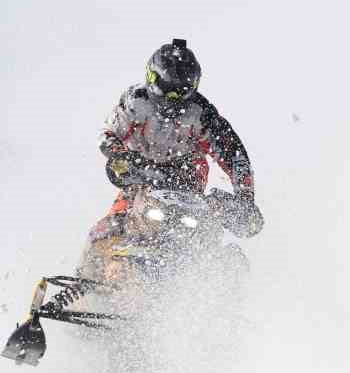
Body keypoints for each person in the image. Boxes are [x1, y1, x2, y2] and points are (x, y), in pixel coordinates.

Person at [92, 39, 262, 256]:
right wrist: (120, 157)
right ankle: (87, 276)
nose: (173, 98)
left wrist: (245, 200)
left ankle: (217, 269)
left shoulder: (202, 114)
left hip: (185, 184)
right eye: (168, 89)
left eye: (181, 91)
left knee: (205, 233)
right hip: (140, 177)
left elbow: (235, 157)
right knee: (112, 224)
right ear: (152, 78)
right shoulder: (136, 101)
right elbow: (108, 134)